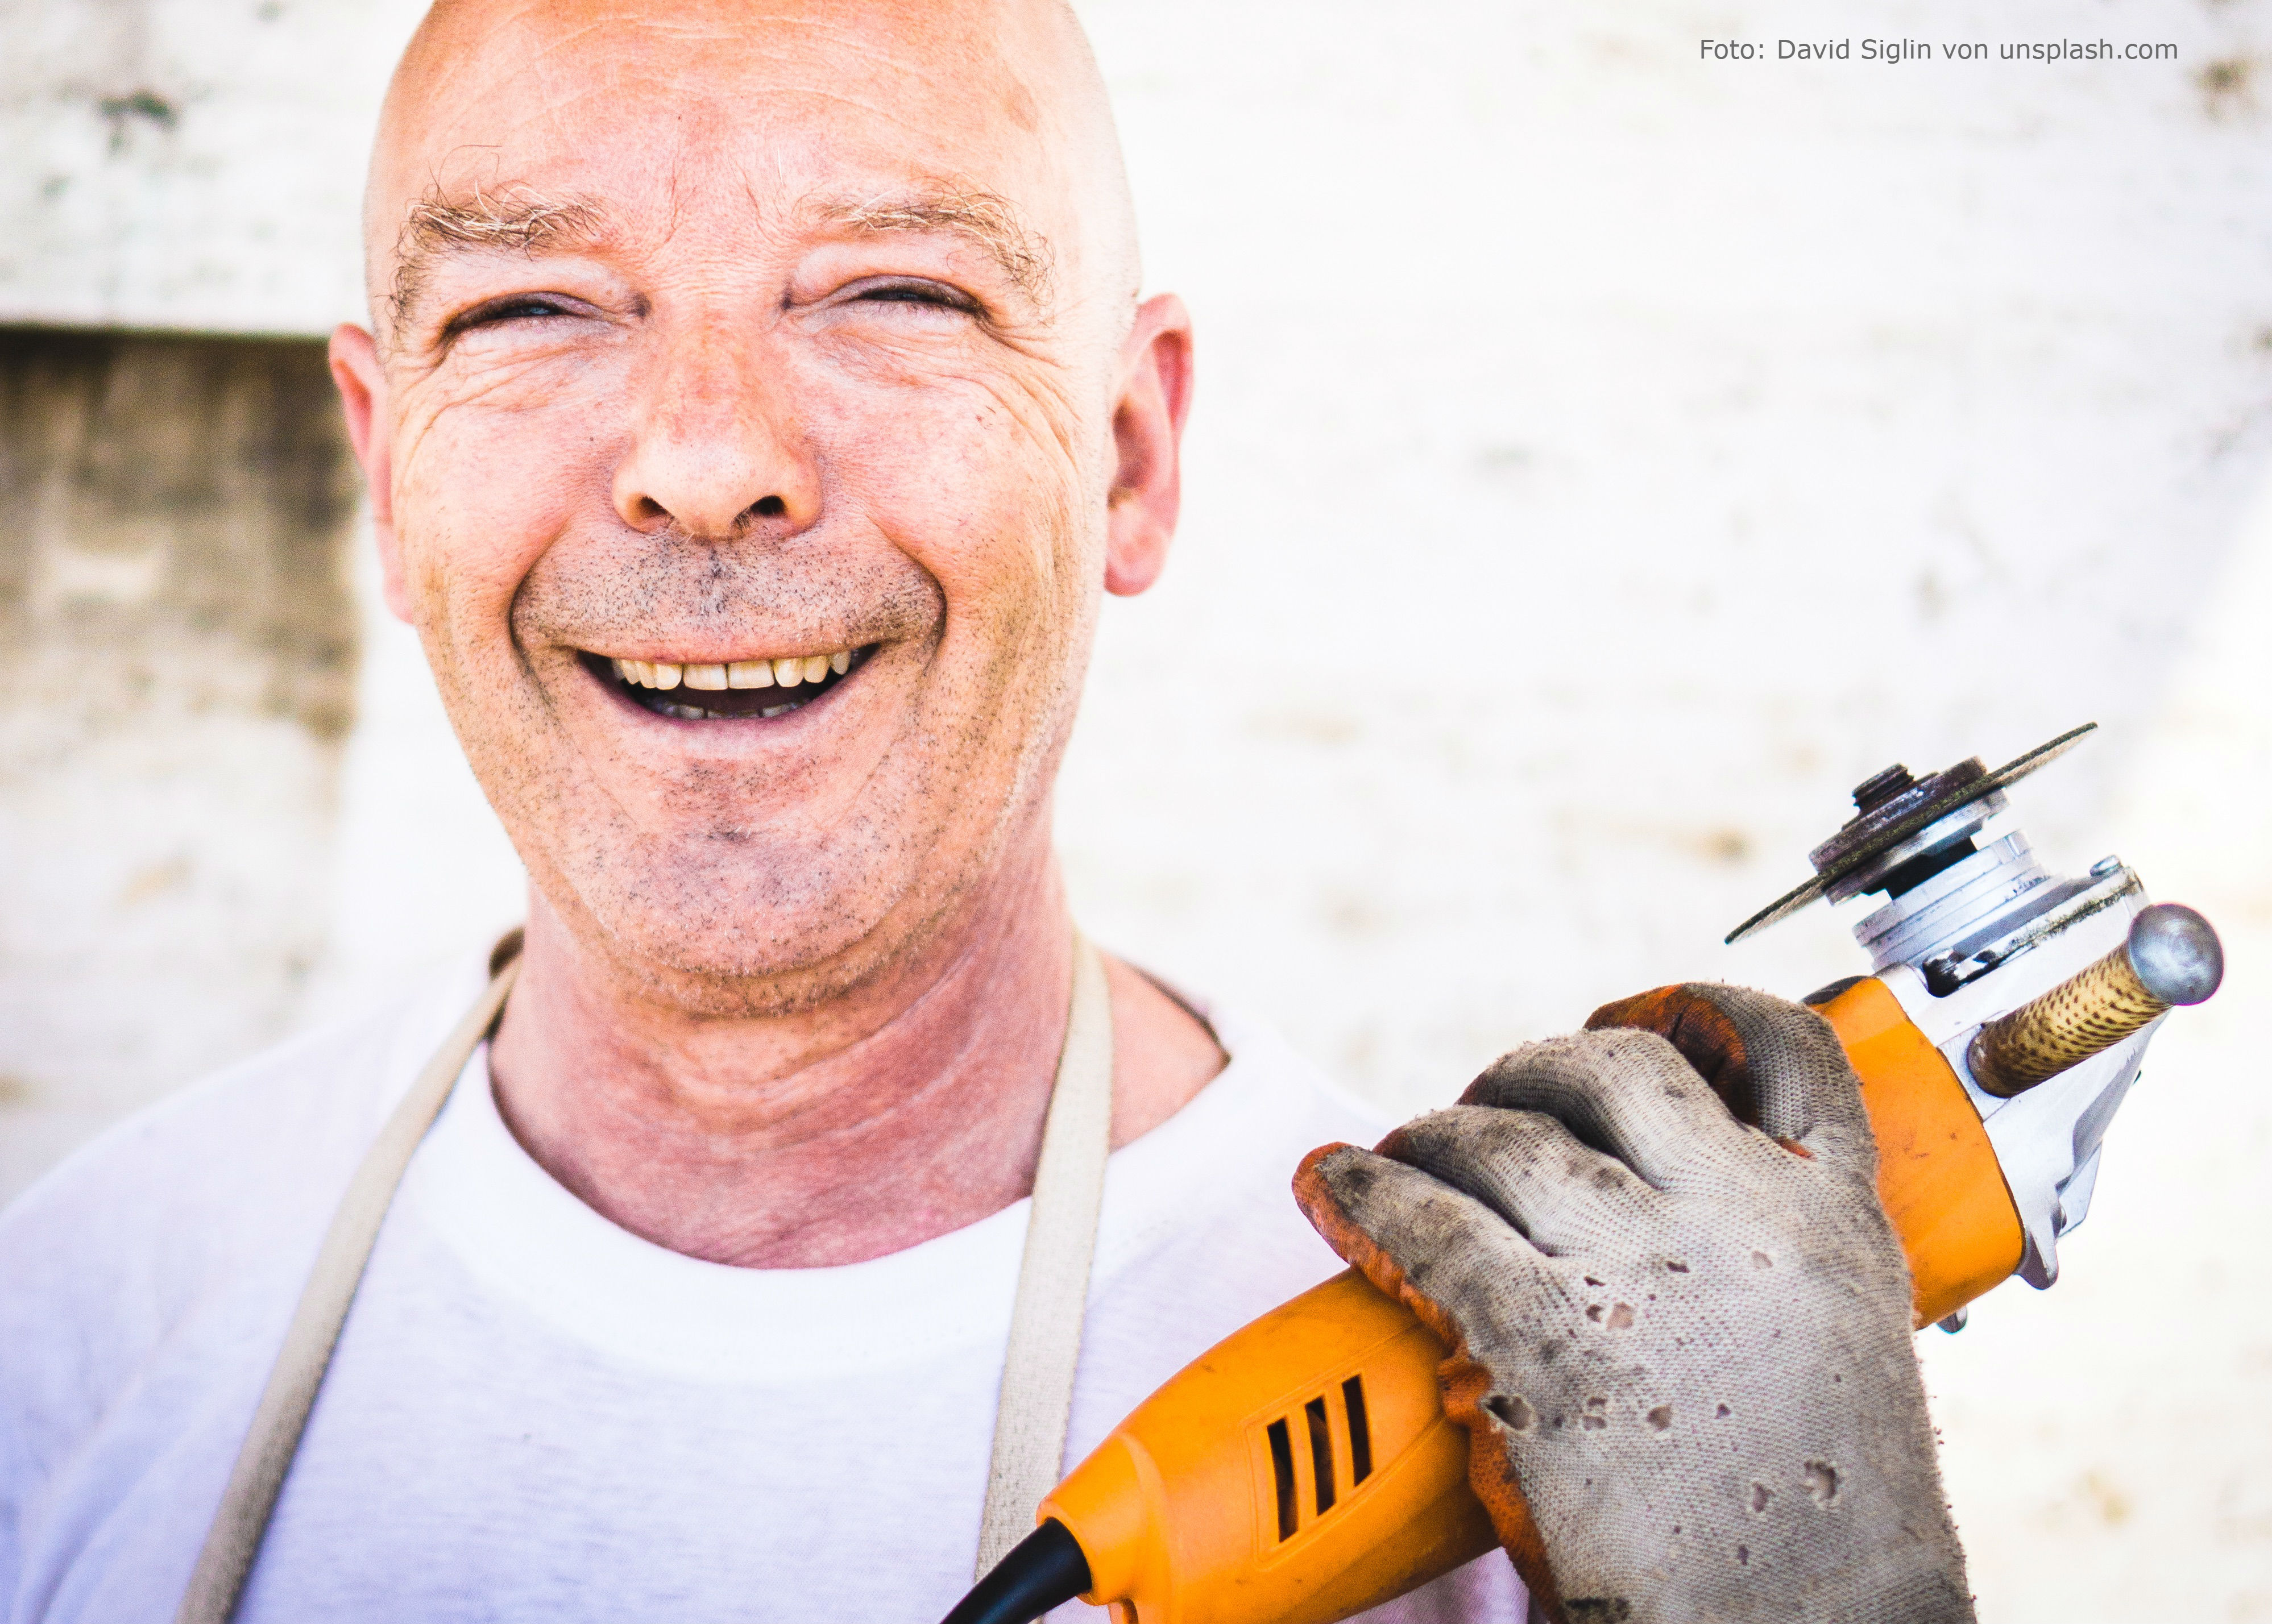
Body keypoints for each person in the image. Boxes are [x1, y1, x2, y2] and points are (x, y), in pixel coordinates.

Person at [0, 2, 1971, 1621]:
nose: (705, 459)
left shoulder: (1516, 1443)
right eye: (530, 310)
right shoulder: (78, 1325)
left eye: (894, 292)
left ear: (1127, 453)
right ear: (386, 474)